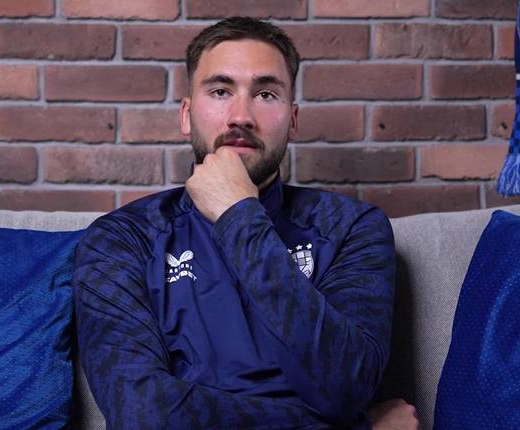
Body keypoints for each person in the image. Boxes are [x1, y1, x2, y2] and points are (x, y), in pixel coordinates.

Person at [73, 16, 418, 429]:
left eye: (266, 94)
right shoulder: (123, 239)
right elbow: (142, 414)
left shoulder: (351, 228)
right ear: (187, 115)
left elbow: (344, 387)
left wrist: (239, 213)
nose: (241, 116)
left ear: (292, 120)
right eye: (220, 91)